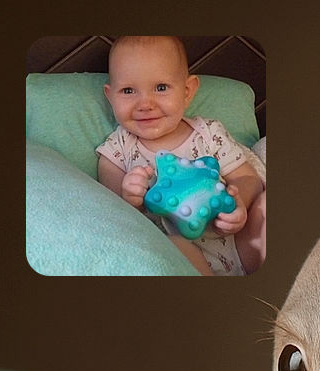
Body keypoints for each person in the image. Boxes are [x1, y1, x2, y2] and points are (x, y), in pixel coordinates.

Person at [96, 35, 265, 275]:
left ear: (187, 91)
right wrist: (129, 194)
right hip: (179, 258)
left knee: (268, 206)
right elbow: (111, 213)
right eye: (128, 90)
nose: (145, 104)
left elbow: (248, 179)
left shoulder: (209, 133)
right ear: (110, 95)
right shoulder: (117, 149)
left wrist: (239, 204)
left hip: (237, 244)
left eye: (161, 88)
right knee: (175, 246)